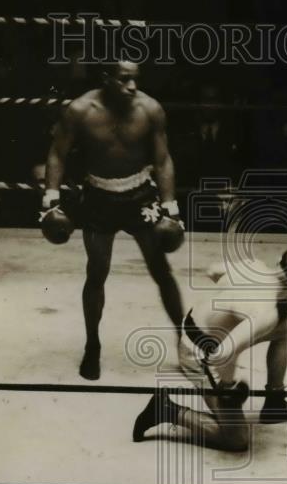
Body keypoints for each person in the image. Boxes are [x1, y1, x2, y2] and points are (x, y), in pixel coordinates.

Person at [41, 61, 185, 380]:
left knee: (161, 269)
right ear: (106, 78)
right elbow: (57, 153)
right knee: (97, 272)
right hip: (98, 197)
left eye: (135, 78)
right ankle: (93, 346)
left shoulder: (150, 109)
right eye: (124, 79)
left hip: (140, 195)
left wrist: (170, 207)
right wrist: (49, 201)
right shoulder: (80, 110)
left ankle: (185, 340)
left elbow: (162, 160)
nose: (132, 86)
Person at [133, 229, 287, 452]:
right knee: (236, 439)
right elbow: (222, 353)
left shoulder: (255, 265)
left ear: (280, 261)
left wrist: (230, 305)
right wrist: (228, 388)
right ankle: (166, 409)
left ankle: (275, 402)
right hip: (199, 353)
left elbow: (212, 270)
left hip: (197, 327)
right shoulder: (265, 313)